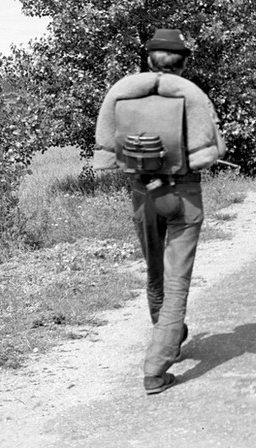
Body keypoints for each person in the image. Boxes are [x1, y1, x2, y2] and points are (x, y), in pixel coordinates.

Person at [93, 28, 226, 395]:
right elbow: (209, 153)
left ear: (148, 59)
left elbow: (106, 145)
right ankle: (156, 366)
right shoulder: (192, 95)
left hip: (142, 193)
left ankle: (167, 336)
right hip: (182, 194)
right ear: (183, 62)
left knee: (155, 275)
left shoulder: (121, 91)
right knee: (177, 281)